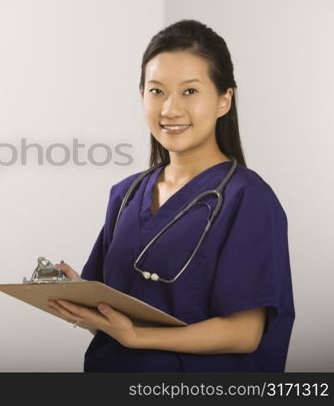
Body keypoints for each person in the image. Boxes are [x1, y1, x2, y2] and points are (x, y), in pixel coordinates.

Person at [47, 20, 294, 372]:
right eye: (157, 91)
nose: (169, 109)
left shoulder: (248, 199)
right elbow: (110, 319)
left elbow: (245, 333)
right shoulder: (127, 195)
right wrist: (80, 300)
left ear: (225, 99)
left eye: (190, 92)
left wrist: (137, 337)